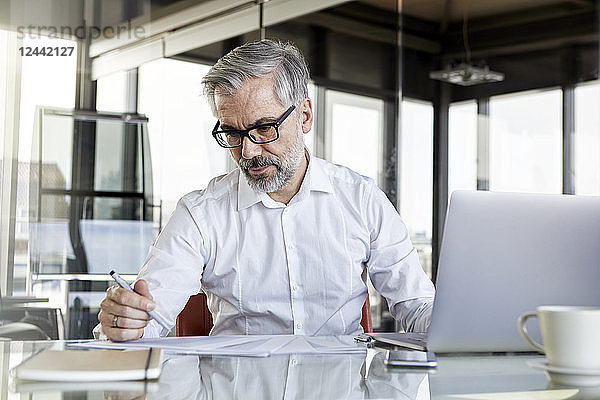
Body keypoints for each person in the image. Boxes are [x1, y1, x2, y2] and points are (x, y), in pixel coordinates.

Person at [97, 39, 435, 342]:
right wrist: (126, 321)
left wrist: (461, 324)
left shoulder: (361, 200)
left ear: (304, 116)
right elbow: (147, 317)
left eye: (264, 128)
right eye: (232, 133)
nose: (248, 152)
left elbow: (417, 307)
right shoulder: (200, 214)